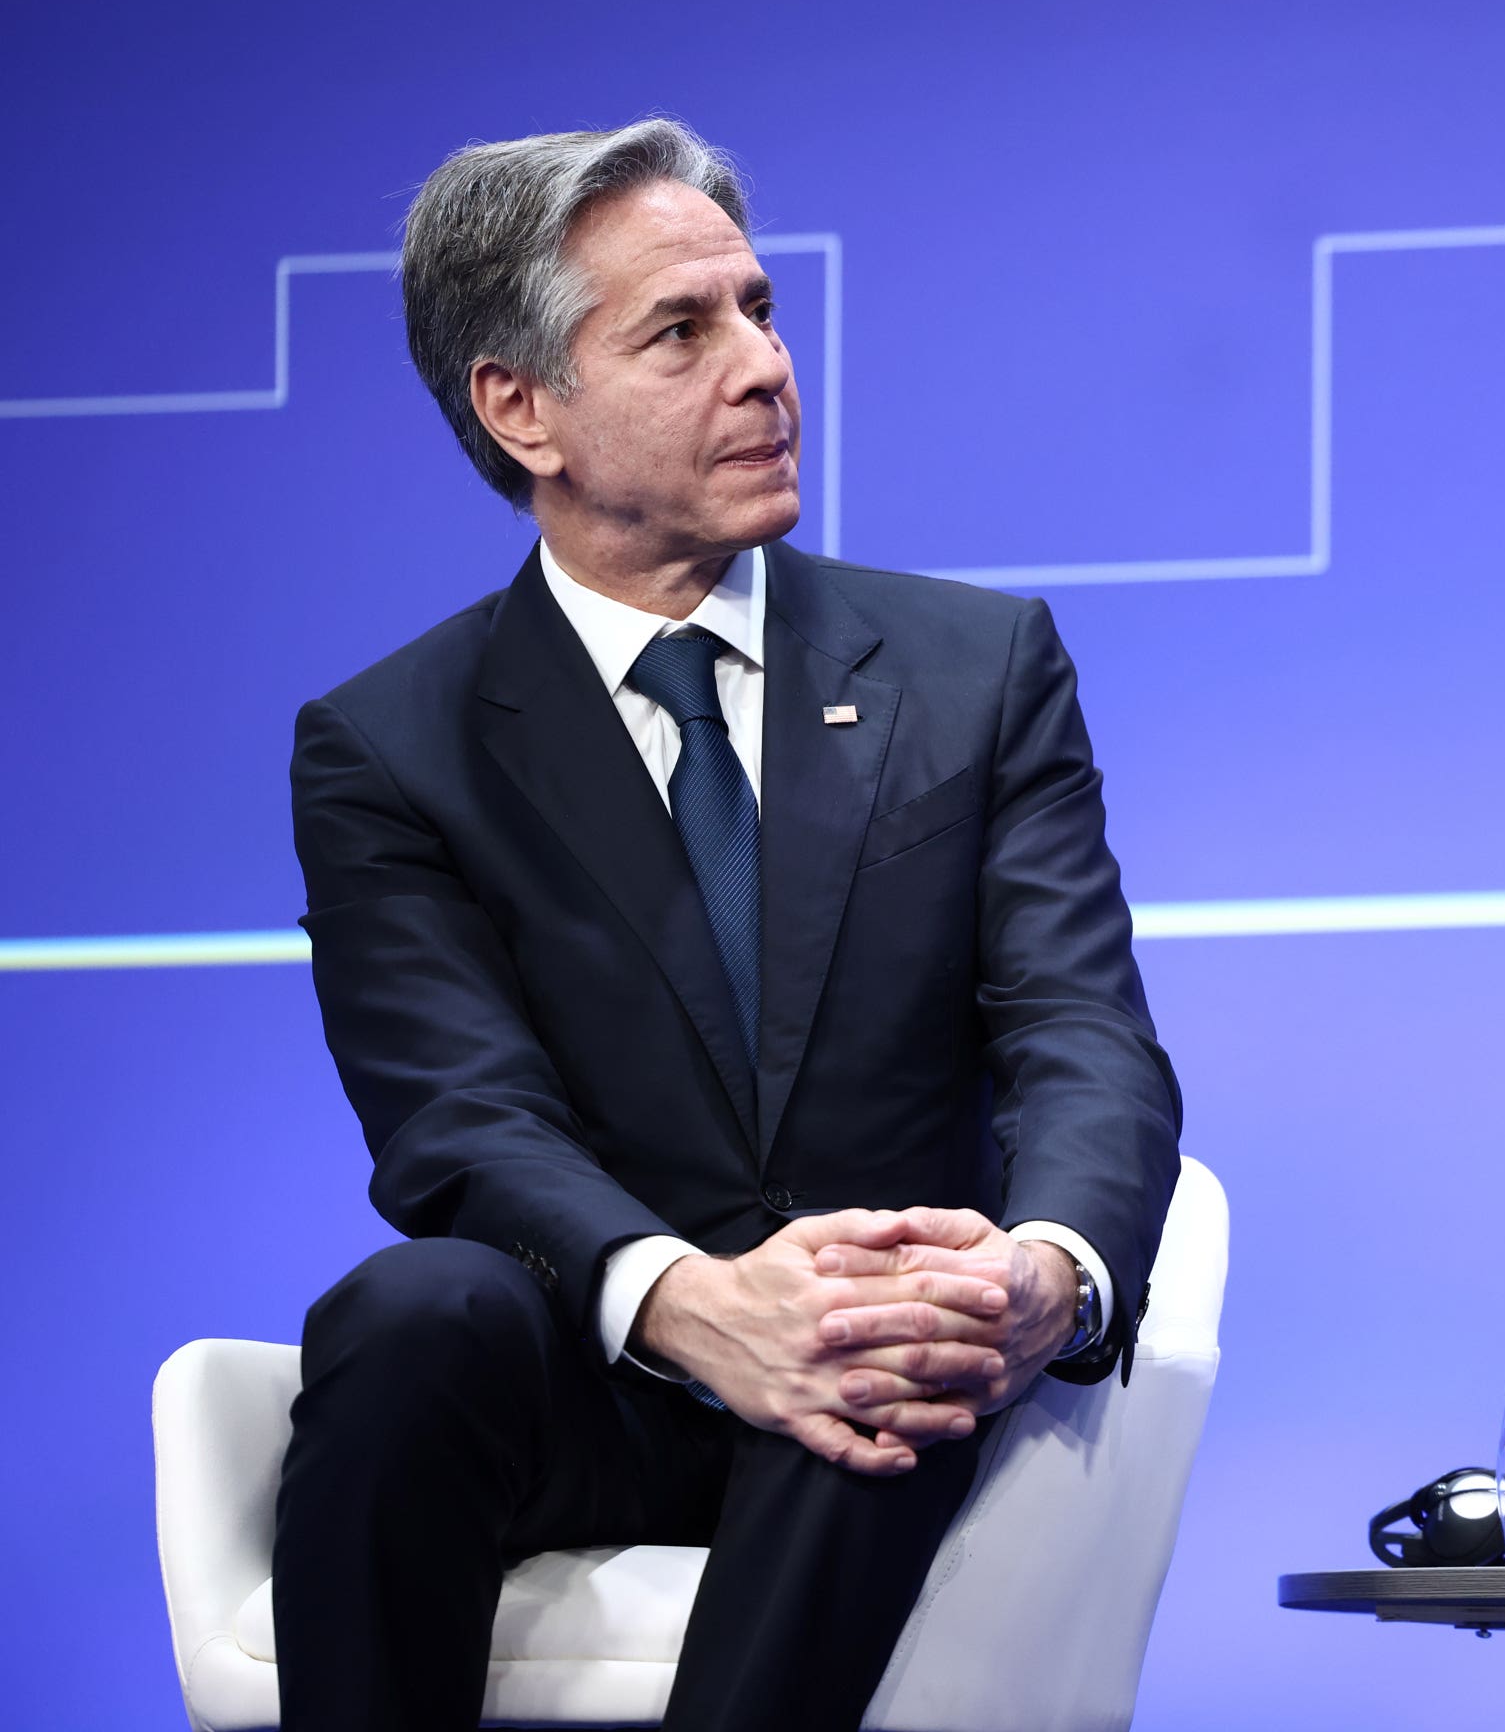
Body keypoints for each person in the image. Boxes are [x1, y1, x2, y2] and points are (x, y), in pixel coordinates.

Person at [274, 120, 1183, 1732]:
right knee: (409, 1315)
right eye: (683, 332)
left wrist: (1045, 1268)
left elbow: (1081, 1031)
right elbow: (457, 1121)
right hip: (605, 1365)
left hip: (896, 1348)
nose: (766, 367)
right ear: (519, 408)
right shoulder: (391, 745)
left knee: (887, 1353)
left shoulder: (978, 668)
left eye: (760, 310)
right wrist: (694, 1299)